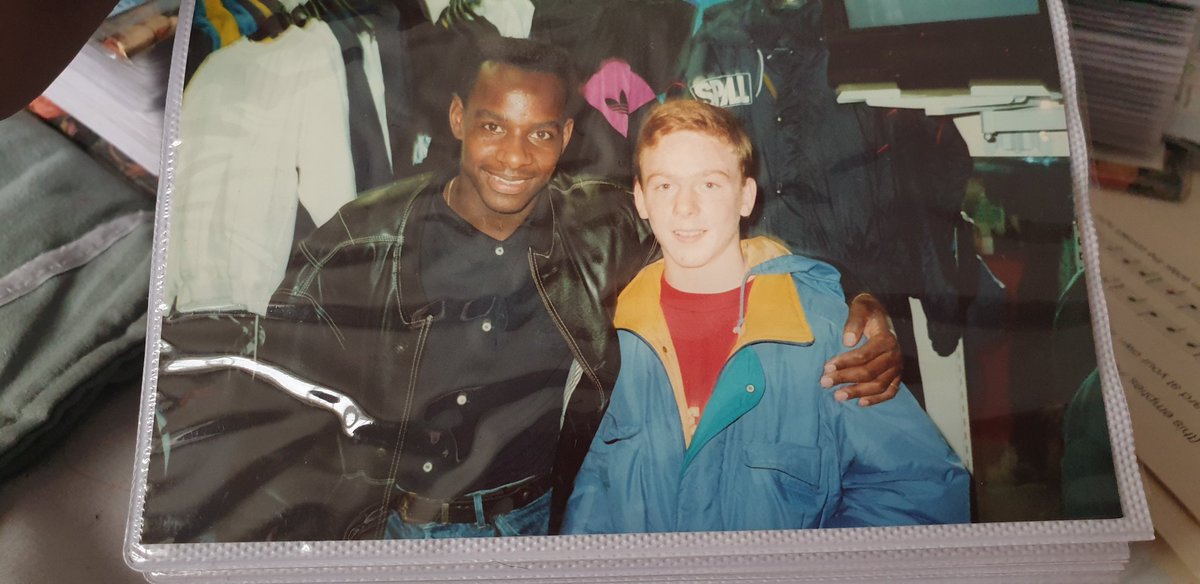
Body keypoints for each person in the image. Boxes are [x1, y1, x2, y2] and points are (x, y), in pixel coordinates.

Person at [145, 36, 903, 542]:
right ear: (457, 123)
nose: (515, 155)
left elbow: (716, 236)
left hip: (549, 522)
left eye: (540, 132)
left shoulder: (602, 222)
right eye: (493, 128)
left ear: (566, 139)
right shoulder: (364, 235)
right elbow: (276, 387)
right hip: (406, 531)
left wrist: (859, 304)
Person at [562, 100, 970, 534]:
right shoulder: (607, 337)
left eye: (710, 185)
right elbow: (591, 497)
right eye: (665, 186)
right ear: (640, 199)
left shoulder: (822, 328)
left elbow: (919, 491)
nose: (685, 208)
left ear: (746, 196)